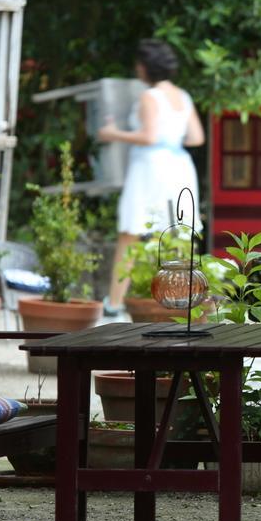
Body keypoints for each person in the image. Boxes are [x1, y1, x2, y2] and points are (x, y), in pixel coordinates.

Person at [97, 39, 205, 315]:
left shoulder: (150, 96)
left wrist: (113, 134)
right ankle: (180, 299)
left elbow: (149, 136)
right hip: (180, 165)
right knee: (178, 233)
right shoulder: (183, 96)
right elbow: (196, 137)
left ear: (144, 67)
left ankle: (115, 302)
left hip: (151, 167)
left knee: (130, 232)